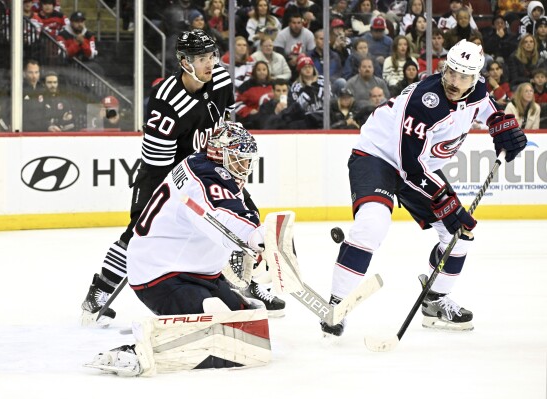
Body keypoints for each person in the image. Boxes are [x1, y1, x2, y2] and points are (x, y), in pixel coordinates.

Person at [319, 39, 528, 337]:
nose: (455, 82)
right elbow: (409, 167)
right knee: (372, 224)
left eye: (464, 76)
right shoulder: (425, 102)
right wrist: (443, 198)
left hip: (418, 164)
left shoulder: (478, 89)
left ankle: (435, 299)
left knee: (460, 233)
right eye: (452, 72)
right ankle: (336, 305)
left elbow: (487, 108)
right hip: (378, 156)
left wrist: (501, 124)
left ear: (476, 77)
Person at [81, 29, 285, 326]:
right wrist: (186, 194)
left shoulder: (222, 78)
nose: (209, 63)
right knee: (138, 232)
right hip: (167, 172)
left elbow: (224, 121)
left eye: (212, 56)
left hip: (210, 164)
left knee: (246, 215)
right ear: (184, 62)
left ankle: (252, 282)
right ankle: (99, 292)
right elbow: (157, 163)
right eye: (201, 58)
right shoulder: (166, 101)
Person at [88, 122, 271, 376]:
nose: (245, 166)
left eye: (246, 159)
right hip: (160, 275)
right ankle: (135, 351)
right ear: (220, 153)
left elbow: (236, 205)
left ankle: (181, 327)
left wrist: (256, 232)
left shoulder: (207, 164)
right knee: (218, 332)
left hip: (196, 272)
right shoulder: (205, 180)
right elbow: (222, 217)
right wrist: (253, 236)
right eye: (239, 159)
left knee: (247, 327)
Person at [235, 61, 273, 129]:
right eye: (258, 70)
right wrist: (248, 111)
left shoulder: (274, 84)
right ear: (254, 72)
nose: (262, 72)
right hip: (252, 120)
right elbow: (236, 103)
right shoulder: (246, 86)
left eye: (264, 69)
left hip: (272, 117)